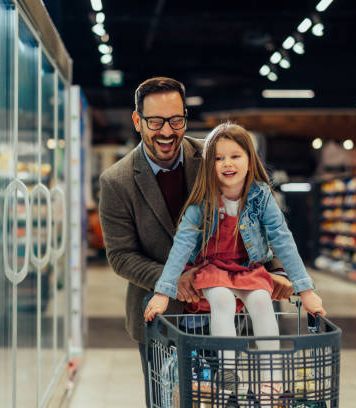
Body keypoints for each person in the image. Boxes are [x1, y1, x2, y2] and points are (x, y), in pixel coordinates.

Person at [98, 77, 294, 407]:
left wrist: (278, 270)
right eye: (155, 121)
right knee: (166, 400)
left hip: (222, 312)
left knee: (225, 398)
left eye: (176, 120)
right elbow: (121, 256)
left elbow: (257, 211)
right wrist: (173, 280)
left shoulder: (214, 155)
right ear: (137, 121)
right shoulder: (116, 181)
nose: (166, 132)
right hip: (163, 321)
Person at [144, 122, 326, 401]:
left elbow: (283, 240)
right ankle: (230, 375)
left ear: (250, 160)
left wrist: (307, 291)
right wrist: (162, 293)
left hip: (247, 268)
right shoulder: (202, 201)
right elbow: (182, 245)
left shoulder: (261, 197)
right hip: (213, 269)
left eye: (235, 156)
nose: (227, 164)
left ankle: (271, 379)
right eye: (218, 158)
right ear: (209, 165)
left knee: (263, 303)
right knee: (221, 301)